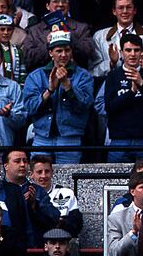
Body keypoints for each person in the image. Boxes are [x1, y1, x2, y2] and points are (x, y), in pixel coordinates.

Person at [22, 31, 94, 164]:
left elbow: (86, 105)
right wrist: (49, 90)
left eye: (67, 50)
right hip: (42, 136)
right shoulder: (35, 76)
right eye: (59, 50)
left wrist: (68, 87)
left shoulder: (83, 76)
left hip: (70, 137)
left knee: (67, 180)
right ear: (50, 53)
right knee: (39, 177)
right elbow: (29, 107)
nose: (63, 55)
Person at [104, 33, 143, 163]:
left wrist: (142, 84)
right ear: (121, 52)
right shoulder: (113, 76)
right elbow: (109, 107)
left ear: (141, 52)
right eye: (128, 50)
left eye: (136, 50)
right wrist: (130, 93)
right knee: (115, 181)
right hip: (120, 140)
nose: (132, 54)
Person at [3, 149, 61, 247]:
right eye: (17, 161)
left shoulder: (37, 190)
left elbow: (54, 218)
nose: (22, 165)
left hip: (34, 248)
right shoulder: (0, 190)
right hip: (7, 249)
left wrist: (35, 206)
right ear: (6, 166)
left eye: (25, 161)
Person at [29, 155, 83, 237]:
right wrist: (59, 221)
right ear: (31, 174)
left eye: (47, 171)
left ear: (52, 173)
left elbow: (76, 224)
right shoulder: (27, 194)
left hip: (63, 241)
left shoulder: (66, 193)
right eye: (39, 172)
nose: (43, 176)